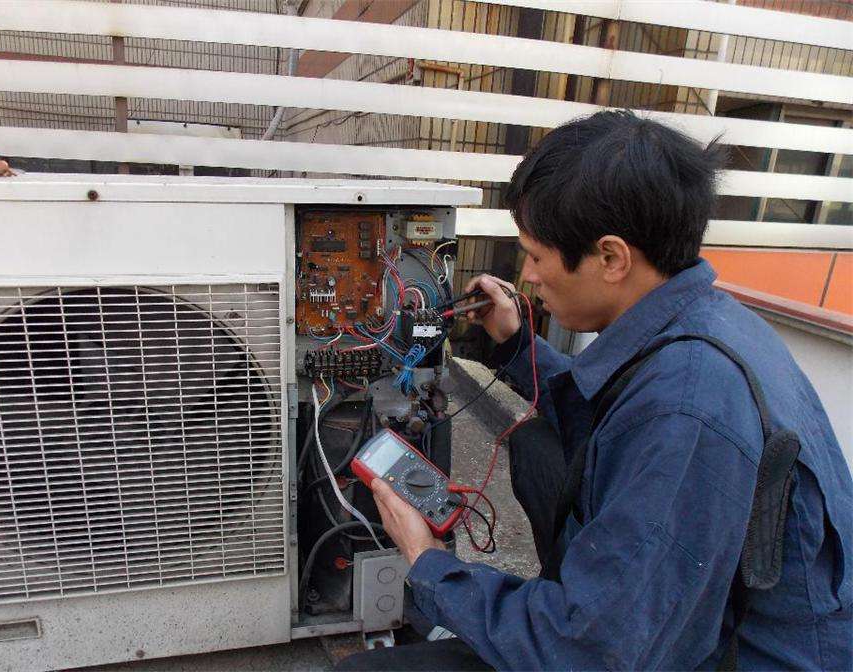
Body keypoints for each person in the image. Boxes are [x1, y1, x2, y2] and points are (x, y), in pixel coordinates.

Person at [336, 111, 853, 671]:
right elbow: (602, 408)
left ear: (611, 258)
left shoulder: (688, 409)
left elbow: (594, 651)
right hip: (677, 623)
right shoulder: (709, 322)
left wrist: (427, 560)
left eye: (536, 255)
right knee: (536, 447)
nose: (528, 276)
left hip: (718, 657)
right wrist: (516, 346)